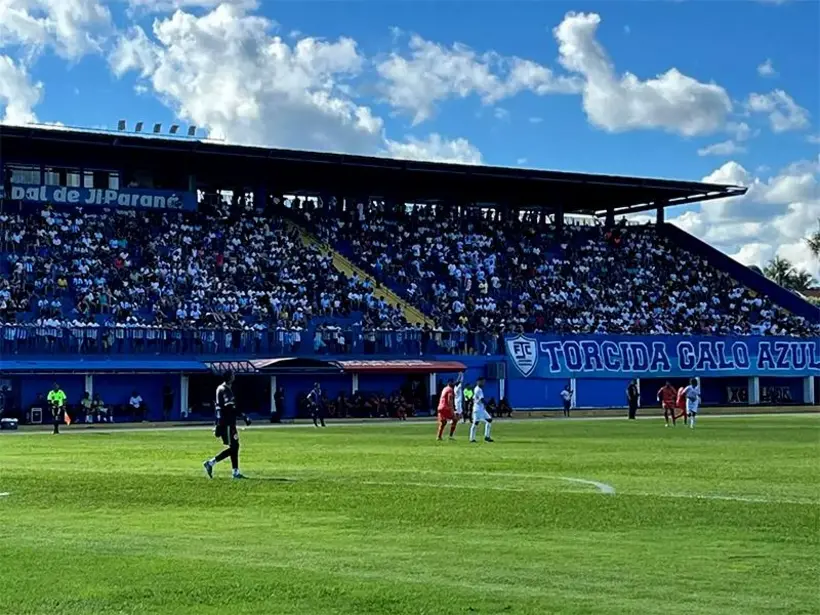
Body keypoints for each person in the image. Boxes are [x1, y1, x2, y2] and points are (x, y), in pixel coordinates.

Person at [203, 371, 251, 479]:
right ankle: (210, 463)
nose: (234, 376)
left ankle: (235, 472)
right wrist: (243, 416)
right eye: (233, 375)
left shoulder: (220, 388)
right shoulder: (225, 390)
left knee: (234, 446)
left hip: (226, 422)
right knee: (234, 446)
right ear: (230, 378)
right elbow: (229, 405)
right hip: (227, 423)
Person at [469, 377, 494, 443]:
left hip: (481, 408)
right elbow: (482, 399)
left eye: (484, 382)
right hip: (477, 409)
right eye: (482, 382)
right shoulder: (478, 390)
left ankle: (487, 436)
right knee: (476, 423)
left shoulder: (477, 389)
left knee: (489, 420)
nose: (483, 383)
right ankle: (472, 439)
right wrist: (489, 406)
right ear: (478, 382)